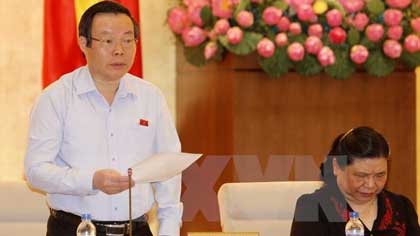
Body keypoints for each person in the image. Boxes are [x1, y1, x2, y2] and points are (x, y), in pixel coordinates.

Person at [24, 1, 182, 236]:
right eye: (108, 41)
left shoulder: (150, 97)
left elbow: (168, 167)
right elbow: (35, 171)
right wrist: (90, 181)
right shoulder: (56, 98)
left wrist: (168, 229)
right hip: (73, 229)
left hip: (137, 228)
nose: (119, 50)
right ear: (83, 42)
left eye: (128, 40)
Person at [290, 126, 420, 236]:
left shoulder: (402, 207)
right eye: (361, 175)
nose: (371, 185)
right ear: (337, 167)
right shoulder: (311, 207)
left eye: (380, 175)